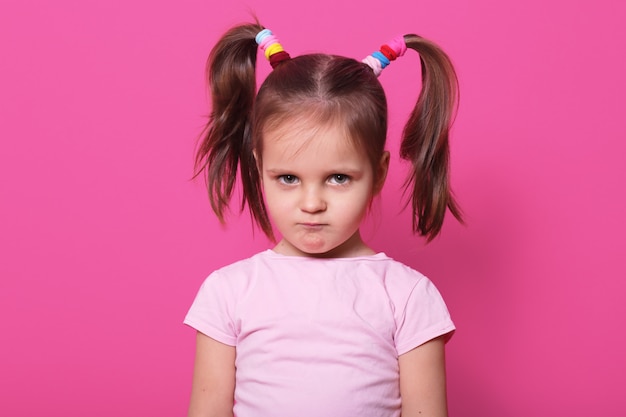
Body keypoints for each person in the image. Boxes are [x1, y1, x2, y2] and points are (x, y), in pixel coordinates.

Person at [184, 20, 463, 417]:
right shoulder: (228, 292)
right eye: (288, 178)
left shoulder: (407, 296)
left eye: (338, 178)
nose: (311, 203)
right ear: (260, 167)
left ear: (378, 173)